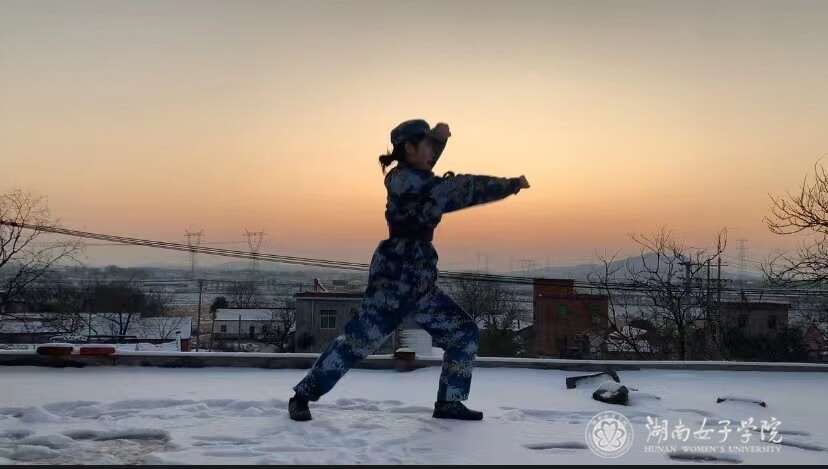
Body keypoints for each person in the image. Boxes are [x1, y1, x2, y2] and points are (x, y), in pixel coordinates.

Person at [289, 119, 530, 421]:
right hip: (392, 284)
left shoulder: (411, 177)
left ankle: (449, 402)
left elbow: (426, 170)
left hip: (419, 284)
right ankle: (302, 396)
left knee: (463, 334)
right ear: (410, 148)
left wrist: (438, 140)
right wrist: (511, 185)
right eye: (427, 146)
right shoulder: (414, 184)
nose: (432, 154)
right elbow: (466, 188)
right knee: (356, 343)